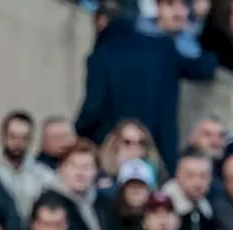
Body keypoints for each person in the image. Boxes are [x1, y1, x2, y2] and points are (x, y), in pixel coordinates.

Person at [75, 0, 216, 169]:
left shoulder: (103, 55)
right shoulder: (163, 49)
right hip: (156, 150)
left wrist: (80, 132)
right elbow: (204, 68)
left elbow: (93, 106)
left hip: (110, 148)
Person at [40, 140, 108, 230]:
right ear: (61, 168)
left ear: (96, 171)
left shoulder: (102, 203)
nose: (80, 173)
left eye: (87, 167)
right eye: (73, 165)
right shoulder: (49, 202)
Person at [0, 111, 54, 226]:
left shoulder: (42, 174)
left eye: (24, 138)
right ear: (3, 136)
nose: (18, 143)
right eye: (13, 137)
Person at [102, 158, 157, 230]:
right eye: (131, 186)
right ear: (122, 189)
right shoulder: (109, 219)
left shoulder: (155, 221)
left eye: (141, 186)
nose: (136, 190)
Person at [162, 151, 216, 230]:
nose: (198, 182)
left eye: (203, 176)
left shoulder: (207, 209)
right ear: (177, 175)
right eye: (191, 176)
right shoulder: (163, 205)